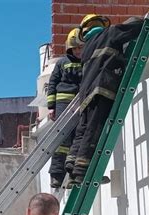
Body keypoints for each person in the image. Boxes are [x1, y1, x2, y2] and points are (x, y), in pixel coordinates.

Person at [65, 14, 144, 186]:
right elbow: (136, 27)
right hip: (101, 89)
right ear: (101, 24)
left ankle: (72, 167)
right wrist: (146, 21)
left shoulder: (86, 47)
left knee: (83, 130)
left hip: (85, 94)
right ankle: (82, 171)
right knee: (94, 129)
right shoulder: (110, 33)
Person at [47, 28, 84, 189]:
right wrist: (51, 107)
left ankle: (73, 176)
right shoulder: (62, 62)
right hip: (63, 104)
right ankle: (56, 176)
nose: (78, 51)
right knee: (62, 140)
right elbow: (53, 83)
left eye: (81, 48)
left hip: (80, 104)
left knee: (77, 139)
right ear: (70, 48)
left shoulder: (86, 63)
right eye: (76, 48)